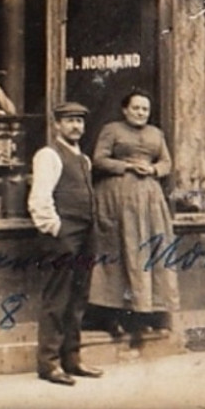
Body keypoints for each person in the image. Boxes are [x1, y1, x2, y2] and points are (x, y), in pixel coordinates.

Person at [89, 89, 179, 342]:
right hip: (116, 199)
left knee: (147, 252)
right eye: (136, 108)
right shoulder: (112, 129)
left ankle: (143, 316)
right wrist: (127, 165)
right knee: (119, 252)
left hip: (149, 199)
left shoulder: (156, 134)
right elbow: (99, 160)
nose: (140, 113)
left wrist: (152, 168)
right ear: (125, 109)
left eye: (145, 109)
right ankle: (113, 316)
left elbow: (166, 163)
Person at [28, 102, 103, 385]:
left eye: (80, 122)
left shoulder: (83, 160)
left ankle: (72, 359)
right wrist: (55, 228)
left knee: (78, 297)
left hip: (86, 234)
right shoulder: (48, 155)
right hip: (63, 235)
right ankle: (49, 364)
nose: (76, 127)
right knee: (57, 298)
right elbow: (40, 198)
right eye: (70, 121)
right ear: (57, 125)